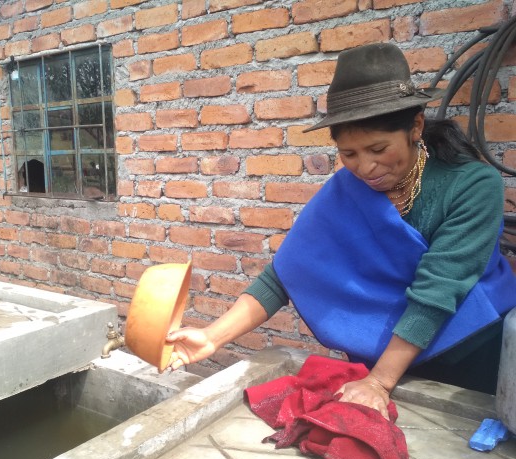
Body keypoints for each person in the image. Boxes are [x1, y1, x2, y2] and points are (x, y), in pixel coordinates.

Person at [165, 43, 516, 419]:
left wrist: (380, 382)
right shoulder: (344, 192)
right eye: (349, 154)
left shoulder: (472, 184)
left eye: (378, 148)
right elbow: (287, 274)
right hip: (379, 360)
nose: (365, 167)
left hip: (469, 349)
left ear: (415, 126)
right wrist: (210, 338)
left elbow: (439, 289)